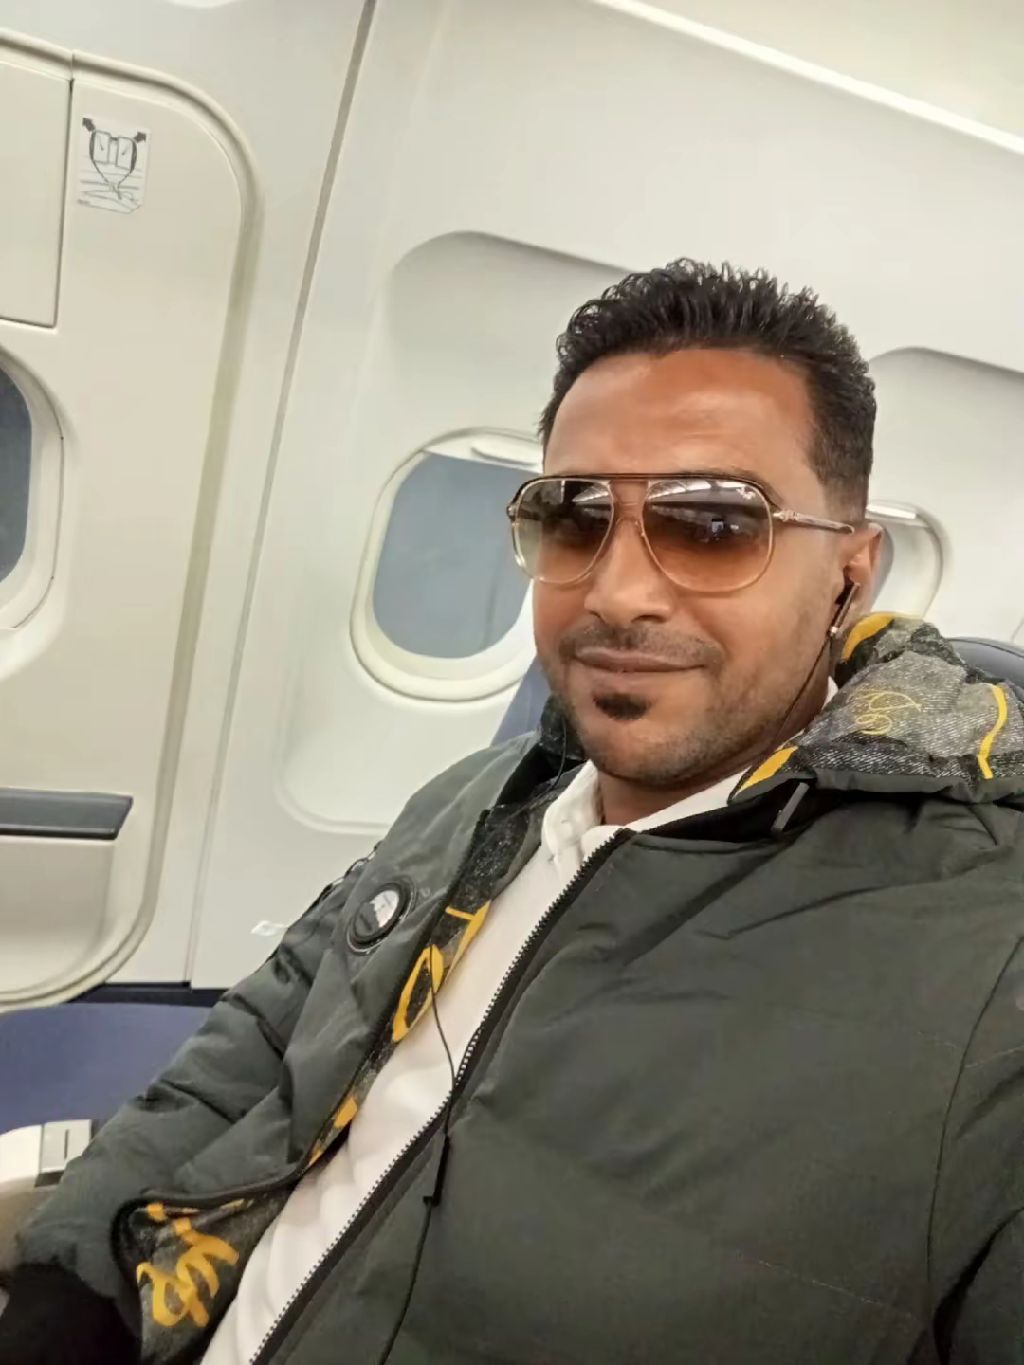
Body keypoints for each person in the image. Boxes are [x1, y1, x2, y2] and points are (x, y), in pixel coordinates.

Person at [3, 260, 1024, 1365]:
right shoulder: (475, 801)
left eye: (712, 524)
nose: (616, 592)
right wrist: (74, 1287)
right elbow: (261, 1038)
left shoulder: (984, 959)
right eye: (573, 518)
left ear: (850, 574)